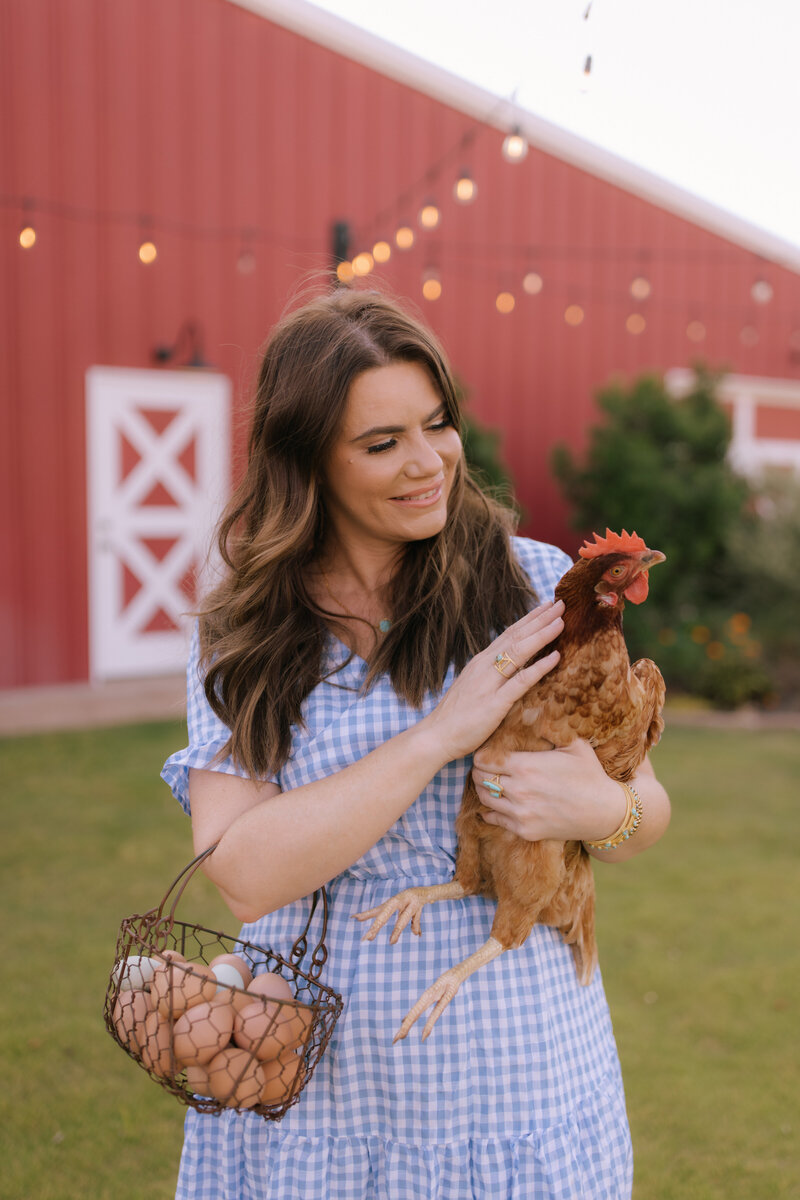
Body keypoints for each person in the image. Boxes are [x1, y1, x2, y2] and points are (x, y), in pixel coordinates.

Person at [161, 287, 670, 1200]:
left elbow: (647, 802)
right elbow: (243, 870)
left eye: (437, 425)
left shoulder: (533, 589)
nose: (428, 463)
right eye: (381, 443)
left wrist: (610, 808)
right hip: (319, 1087)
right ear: (305, 462)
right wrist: (439, 734)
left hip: (518, 1073)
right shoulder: (246, 631)